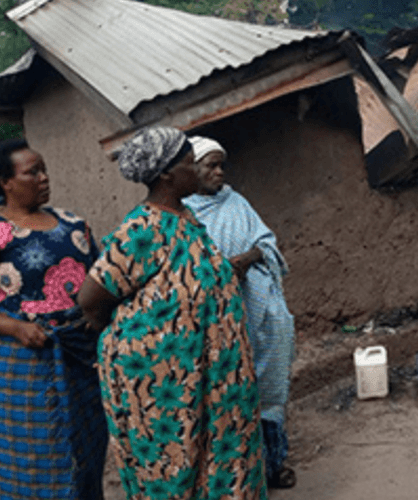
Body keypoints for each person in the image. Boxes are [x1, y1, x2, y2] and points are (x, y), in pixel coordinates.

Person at [78, 126, 267, 500]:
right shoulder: (141, 229)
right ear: (166, 173)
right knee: (174, 466)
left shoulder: (186, 218)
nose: (197, 170)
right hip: (167, 380)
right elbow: (90, 298)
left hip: (213, 374)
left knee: (221, 462)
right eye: (189, 163)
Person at [0, 138, 107, 498]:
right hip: (24, 361)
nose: (44, 178)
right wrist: (16, 328)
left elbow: (101, 282)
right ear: (5, 182)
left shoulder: (73, 224)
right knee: (34, 455)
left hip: (80, 357)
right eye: (32, 172)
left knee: (87, 447)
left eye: (44, 170)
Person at [183, 136, 297, 489]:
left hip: (258, 310)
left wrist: (248, 259)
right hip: (216, 320)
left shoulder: (236, 202)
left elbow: (267, 243)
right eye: (211, 166)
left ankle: (275, 462)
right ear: (192, 169)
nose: (219, 172)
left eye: (221, 165)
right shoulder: (182, 213)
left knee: (268, 390)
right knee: (228, 394)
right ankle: (241, 474)